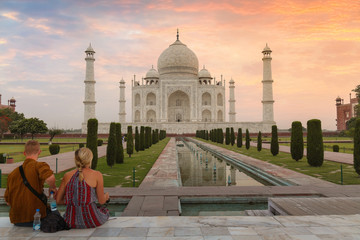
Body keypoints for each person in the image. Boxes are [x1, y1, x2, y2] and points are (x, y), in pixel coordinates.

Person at [4, 140, 57, 227]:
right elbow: (50, 178)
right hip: (37, 217)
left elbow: (8, 201)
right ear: (39, 152)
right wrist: (53, 187)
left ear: (24, 153)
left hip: (18, 220)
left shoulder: (12, 174)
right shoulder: (39, 166)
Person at [56, 147, 109, 228]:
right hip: (92, 221)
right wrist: (106, 196)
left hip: (70, 221)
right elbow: (101, 201)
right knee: (104, 210)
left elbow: (58, 201)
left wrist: (74, 201)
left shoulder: (67, 175)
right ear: (90, 159)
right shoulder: (97, 174)